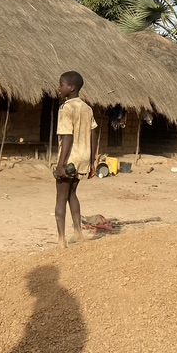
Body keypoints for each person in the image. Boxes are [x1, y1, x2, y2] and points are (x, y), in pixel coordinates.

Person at [54, 72, 97, 250]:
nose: (59, 88)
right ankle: (78, 233)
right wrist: (92, 161)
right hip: (83, 157)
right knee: (72, 193)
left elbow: (67, 137)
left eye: (61, 84)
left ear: (71, 88)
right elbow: (94, 133)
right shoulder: (87, 108)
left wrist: (61, 163)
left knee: (60, 198)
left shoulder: (66, 108)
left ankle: (61, 240)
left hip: (70, 157)